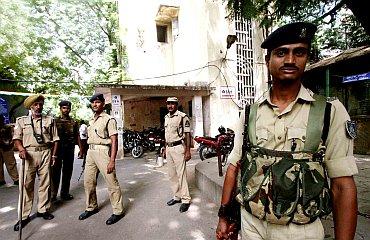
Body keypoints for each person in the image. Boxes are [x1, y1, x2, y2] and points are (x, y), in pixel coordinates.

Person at [216, 22, 358, 240]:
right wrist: (225, 216)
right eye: (281, 53)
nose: (290, 60)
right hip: (252, 226)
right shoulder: (250, 113)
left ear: (306, 58)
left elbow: (342, 186)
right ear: (267, 61)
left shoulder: (329, 112)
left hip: (301, 231)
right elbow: (235, 167)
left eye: (299, 52)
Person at [12, 94, 59, 231]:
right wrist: (21, 149)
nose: (39, 107)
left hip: (46, 152)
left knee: (45, 183)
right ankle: (23, 216)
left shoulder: (50, 120)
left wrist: (54, 156)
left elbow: (55, 139)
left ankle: (43, 210)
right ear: (31, 106)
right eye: (36, 104)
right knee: (26, 185)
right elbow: (16, 138)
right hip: (28, 154)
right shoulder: (21, 121)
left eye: (40, 104)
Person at [78, 93, 124, 225]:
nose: (95, 104)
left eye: (97, 102)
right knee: (88, 182)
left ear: (103, 104)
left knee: (111, 182)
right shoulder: (91, 120)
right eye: (93, 102)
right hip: (90, 152)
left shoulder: (109, 119)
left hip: (103, 151)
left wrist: (112, 160)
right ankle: (91, 207)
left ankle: (118, 211)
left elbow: (114, 140)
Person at [163, 97, 192, 213]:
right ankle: (177, 196)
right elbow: (166, 134)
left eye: (172, 104)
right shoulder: (166, 117)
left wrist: (188, 150)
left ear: (176, 104)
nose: (170, 106)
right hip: (169, 148)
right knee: (172, 174)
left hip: (179, 147)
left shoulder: (182, 117)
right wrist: (165, 148)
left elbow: (188, 134)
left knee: (181, 174)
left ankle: (185, 199)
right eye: (168, 104)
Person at [51, 100, 82, 201]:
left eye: (68, 108)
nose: (66, 110)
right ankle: (53, 194)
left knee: (67, 172)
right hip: (58, 150)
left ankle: (65, 193)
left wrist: (81, 149)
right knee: (55, 172)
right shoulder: (54, 121)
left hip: (69, 149)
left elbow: (77, 135)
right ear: (60, 109)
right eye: (64, 108)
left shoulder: (74, 122)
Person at [0, 115, 19, 186]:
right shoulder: (8, 128)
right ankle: (1, 180)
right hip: (5, 147)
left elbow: (13, 136)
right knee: (10, 164)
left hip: (7, 148)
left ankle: (16, 179)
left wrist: (11, 143)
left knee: (11, 164)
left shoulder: (8, 128)